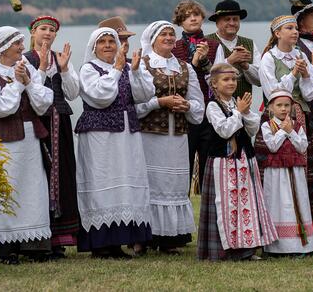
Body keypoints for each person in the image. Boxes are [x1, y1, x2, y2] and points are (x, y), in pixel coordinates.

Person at [74, 27, 154, 258]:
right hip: (100, 135)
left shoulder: (129, 66)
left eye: (112, 41)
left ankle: (119, 241)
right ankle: (100, 244)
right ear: (94, 47)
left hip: (127, 133)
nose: (108, 45)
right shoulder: (88, 69)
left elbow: (143, 95)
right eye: (103, 42)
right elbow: (102, 97)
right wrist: (118, 69)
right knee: (103, 182)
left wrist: (136, 71)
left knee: (127, 183)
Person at [0, 26, 53, 264]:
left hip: (30, 138)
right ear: (2, 48)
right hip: (1, 142)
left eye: (22, 43)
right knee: (6, 190)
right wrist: (19, 85)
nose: (23, 48)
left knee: (31, 189)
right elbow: (0, 107)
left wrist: (29, 83)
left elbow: (43, 104)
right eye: (17, 44)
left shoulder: (26, 67)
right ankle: (4, 247)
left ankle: (33, 245)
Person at [196, 62, 275, 260]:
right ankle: (223, 250)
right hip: (223, 164)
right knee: (226, 205)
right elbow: (224, 130)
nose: (231, 83)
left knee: (245, 205)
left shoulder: (236, 103)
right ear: (214, 84)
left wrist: (245, 112)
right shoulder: (212, 106)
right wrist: (239, 112)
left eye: (233, 79)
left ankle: (246, 249)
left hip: (243, 160)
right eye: (226, 79)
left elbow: (252, 129)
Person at [138, 20, 204, 254]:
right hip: (149, 136)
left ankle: (170, 239)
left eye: (171, 34)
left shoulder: (185, 67)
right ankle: (144, 238)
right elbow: (135, 105)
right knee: (150, 185)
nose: (168, 38)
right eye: (163, 34)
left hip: (177, 137)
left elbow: (199, 105)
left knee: (174, 186)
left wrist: (187, 105)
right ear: (152, 39)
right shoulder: (143, 65)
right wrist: (160, 102)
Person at [24, 15, 81, 258]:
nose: (48, 33)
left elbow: (72, 92)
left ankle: (58, 238)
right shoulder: (24, 59)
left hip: (60, 121)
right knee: (39, 176)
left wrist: (65, 69)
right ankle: (38, 237)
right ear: (33, 33)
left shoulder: (61, 59)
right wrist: (43, 69)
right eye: (43, 29)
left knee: (61, 176)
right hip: (36, 122)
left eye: (52, 30)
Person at [259, 15, 313, 204]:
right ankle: (279, 206)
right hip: (276, 116)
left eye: (296, 28)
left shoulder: (300, 55)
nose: (295, 32)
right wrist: (293, 73)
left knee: (303, 161)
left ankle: (302, 207)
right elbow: (273, 92)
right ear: (277, 33)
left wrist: (305, 75)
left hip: (300, 115)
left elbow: (312, 93)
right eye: (289, 28)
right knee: (278, 160)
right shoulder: (269, 58)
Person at [258, 88, 313, 256]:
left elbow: (303, 146)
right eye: (279, 105)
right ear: (271, 108)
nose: (283, 109)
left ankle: (299, 245)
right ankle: (277, 247)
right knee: (278, 204)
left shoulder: (296, 126)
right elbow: (272, 146)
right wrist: (284, 130)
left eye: (287, 105)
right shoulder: (267, 125)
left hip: (295, 172)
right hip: (276, 174)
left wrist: (291, 131)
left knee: (296, 203)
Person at [171, 0, 219, 193]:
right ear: (180, 21)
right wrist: (194, 61)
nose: (193, 18)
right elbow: (175, 80)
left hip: (210, 111)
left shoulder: (215, 45)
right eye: (187, 15)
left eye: (196, 14)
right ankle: (183, 210)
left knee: (210, 168)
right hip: (185, 113)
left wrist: (205, 61)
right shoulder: (173, 48)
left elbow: (219, 79)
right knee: (185, 166)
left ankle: (210, 216)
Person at [207, 0, 262, 98]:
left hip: (244, 108)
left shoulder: (250, 43)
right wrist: (230, 60)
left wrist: (245, 66)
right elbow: (205, 78)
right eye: (227, 19)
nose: (232, 23)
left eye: (235, 19)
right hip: (214, 107)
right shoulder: (206, 42)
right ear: (217, 22)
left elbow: (260, 80)